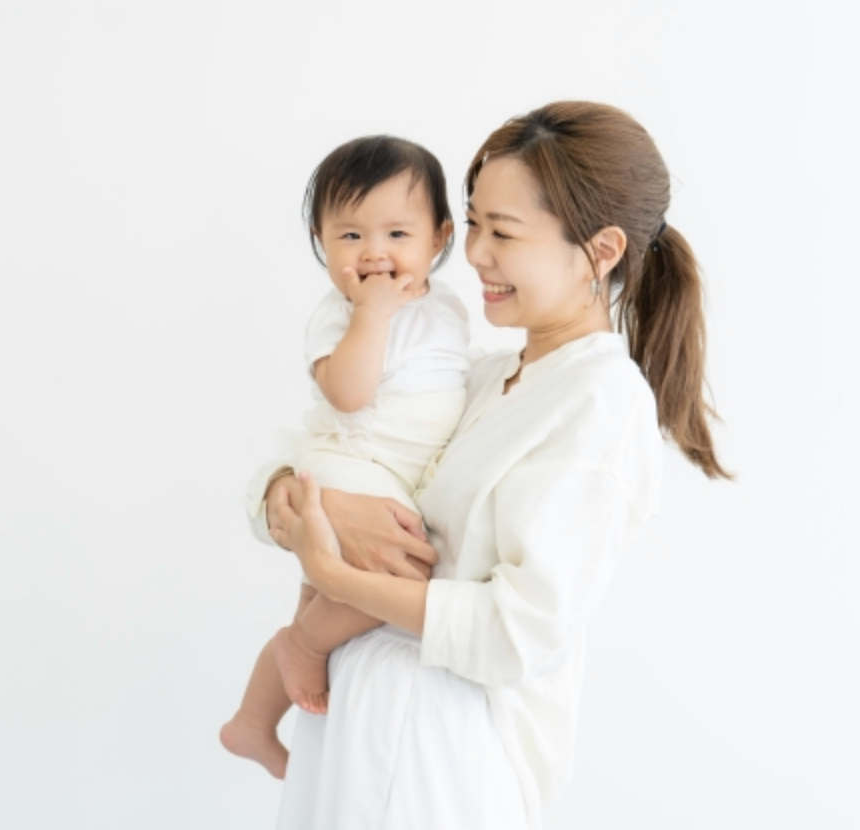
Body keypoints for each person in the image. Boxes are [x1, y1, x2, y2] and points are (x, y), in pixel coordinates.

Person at [255, 101, 731, 829]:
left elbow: (517, 632)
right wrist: (293, 496)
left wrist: (333, 578)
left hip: (435, 752)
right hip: (356, 722)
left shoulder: (598, 403)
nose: (474, 253)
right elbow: (337, 448)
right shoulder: (481, 379)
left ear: (601, 251)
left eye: (502, 232)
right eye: (473, 222)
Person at [219, 135, 470, 780]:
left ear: (440, 237)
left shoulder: (446, 307)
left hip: (391, 478)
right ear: (321, 241)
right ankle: (300, 648)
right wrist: (372, 315)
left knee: (321, 602)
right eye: (350, 236)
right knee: (404, 575)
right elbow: (349, 394)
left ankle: (251, 722)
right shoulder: (341, 314)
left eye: (397, 233)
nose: (374, 253)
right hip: (351, 465)